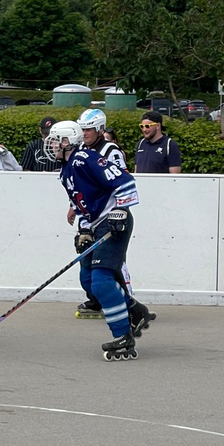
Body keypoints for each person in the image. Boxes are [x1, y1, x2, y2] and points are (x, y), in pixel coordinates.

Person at [45, 120, 142, 361]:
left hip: (113, 221)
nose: (52, 144)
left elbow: (124, 180)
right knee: (87, 278)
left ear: (68, 142)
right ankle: (133, 309)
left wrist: (120, 210)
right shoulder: (66, 169)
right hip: (96, 223)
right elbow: (83, 204)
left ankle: (123, 335)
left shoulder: (84, 159)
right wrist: (84, 230)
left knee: (101, 281)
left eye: (56, 140)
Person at [70, 109, 154, 331]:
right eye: (82, 129)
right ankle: (107, 301)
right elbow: (81, 186)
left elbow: (121, 181)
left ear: (99, 129)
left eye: (88, 129)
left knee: (114, 265)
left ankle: (127, 302)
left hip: (111, 215)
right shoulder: (79, 151)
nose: (84, 133)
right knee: (87, 265)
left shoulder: (110, 150)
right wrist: (73, 208)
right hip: (91, 217)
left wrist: (121, 212)